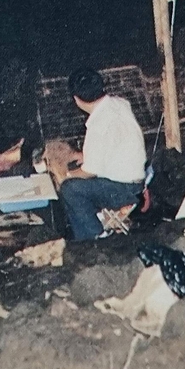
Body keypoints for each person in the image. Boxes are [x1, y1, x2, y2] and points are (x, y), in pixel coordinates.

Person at [56, 69, 147, 241]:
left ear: (76, 99)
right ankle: (82, 240)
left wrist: (63, 176)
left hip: (124, 190)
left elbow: (90, 172)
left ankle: (98, 236)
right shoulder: (120, 103)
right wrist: (86, 155)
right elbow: (116, 140)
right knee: (73, 186)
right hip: (138, 181)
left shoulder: (98, 125)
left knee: (70, 189)